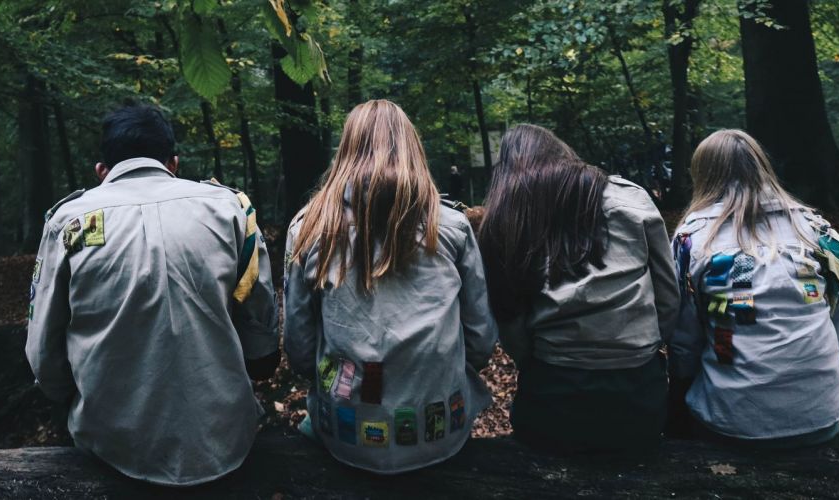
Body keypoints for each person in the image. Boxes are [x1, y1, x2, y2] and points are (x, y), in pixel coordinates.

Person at [26, 105, 280, 486]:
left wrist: (67, 396)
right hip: (224, 440)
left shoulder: (68, 222)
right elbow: (260, 326)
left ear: (102, 171)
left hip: (111, 446)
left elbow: (43, 351)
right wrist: (258, 361)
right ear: (173, 163)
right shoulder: (230, 209)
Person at [283, 99, 498, 474]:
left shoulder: (309, 228)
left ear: (346, 151)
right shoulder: (450, 226)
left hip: (345, 432)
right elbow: (480, 337)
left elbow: (299, 345)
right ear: (412, 148)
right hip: (440, 430)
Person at [477, 124, 679, 454]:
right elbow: (668, 297)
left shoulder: (508, 214)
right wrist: (643, 348)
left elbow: (509, 318)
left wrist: (542, 360)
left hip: (552, 398)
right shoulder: (631, 197)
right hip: (639, 397)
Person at [667, 129, 839, 449]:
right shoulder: (817, 230)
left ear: (703, 175)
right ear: (761, 166)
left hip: (731, 424)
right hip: (821, 415)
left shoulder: (691, 239)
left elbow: (685, 341)